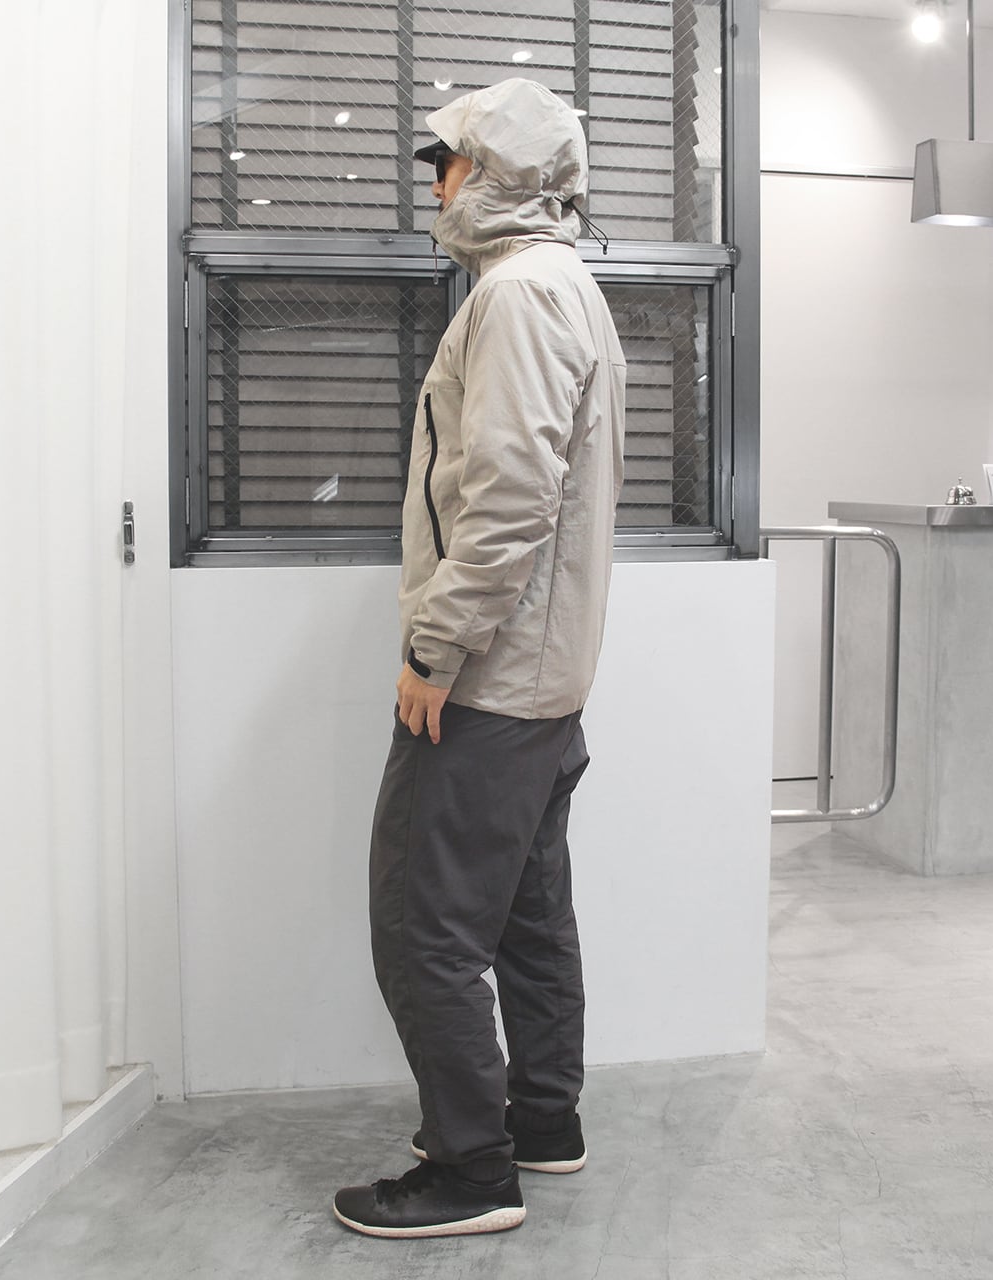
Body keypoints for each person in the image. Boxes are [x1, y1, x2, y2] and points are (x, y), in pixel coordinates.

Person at [332, 77, 627, 1239]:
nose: (436, 186)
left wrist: (434, 645)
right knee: (524, 919)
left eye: (446, 163)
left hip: (490, 681)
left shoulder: (518, 295)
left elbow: (507, 501)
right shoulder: (563, 286)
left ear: (496, 172)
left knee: (424, 928)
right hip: (542, 683)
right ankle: (539, 1120)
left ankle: (469, 1168)